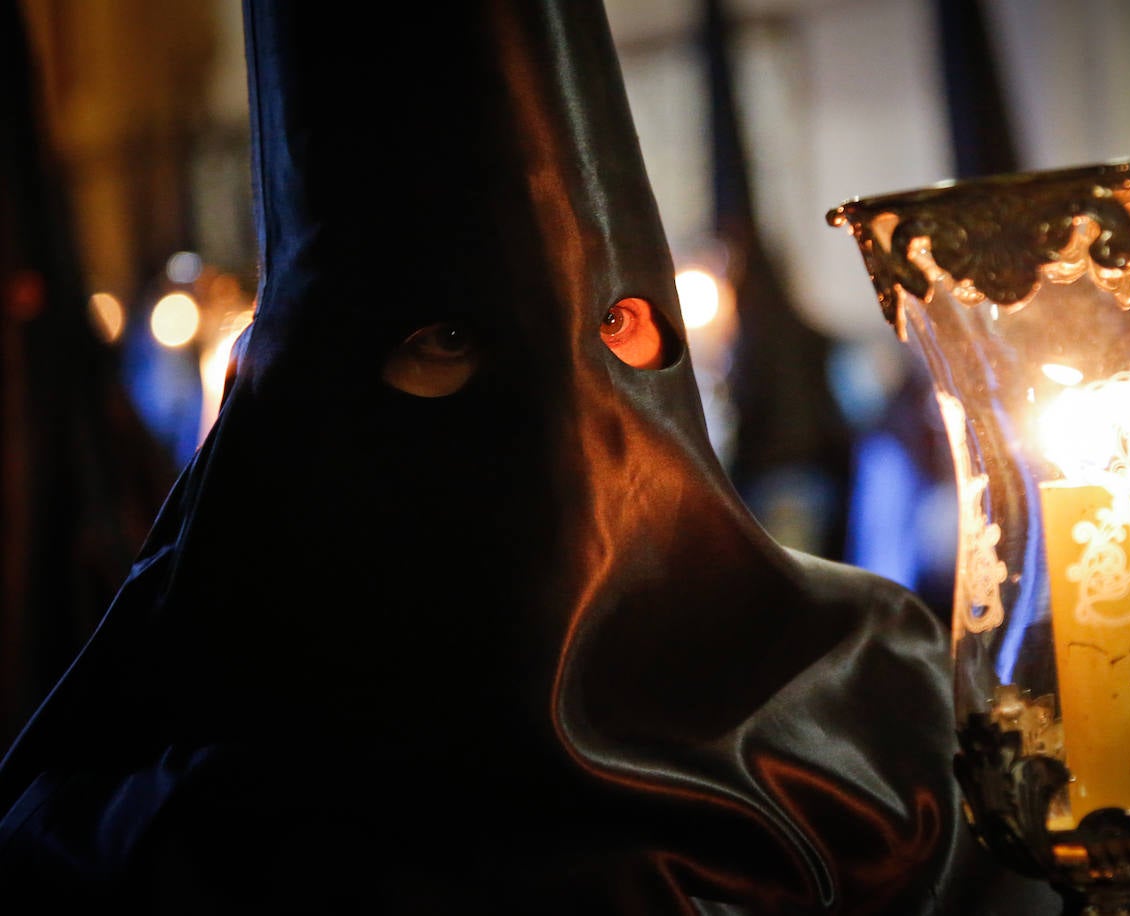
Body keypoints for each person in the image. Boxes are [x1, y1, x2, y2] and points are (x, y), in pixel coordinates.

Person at [0, 3, 1057, 912]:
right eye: (448, 339)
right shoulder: (175, 835)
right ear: (313, 389)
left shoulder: (876, 704)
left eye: (616, 320)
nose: (566, 412)